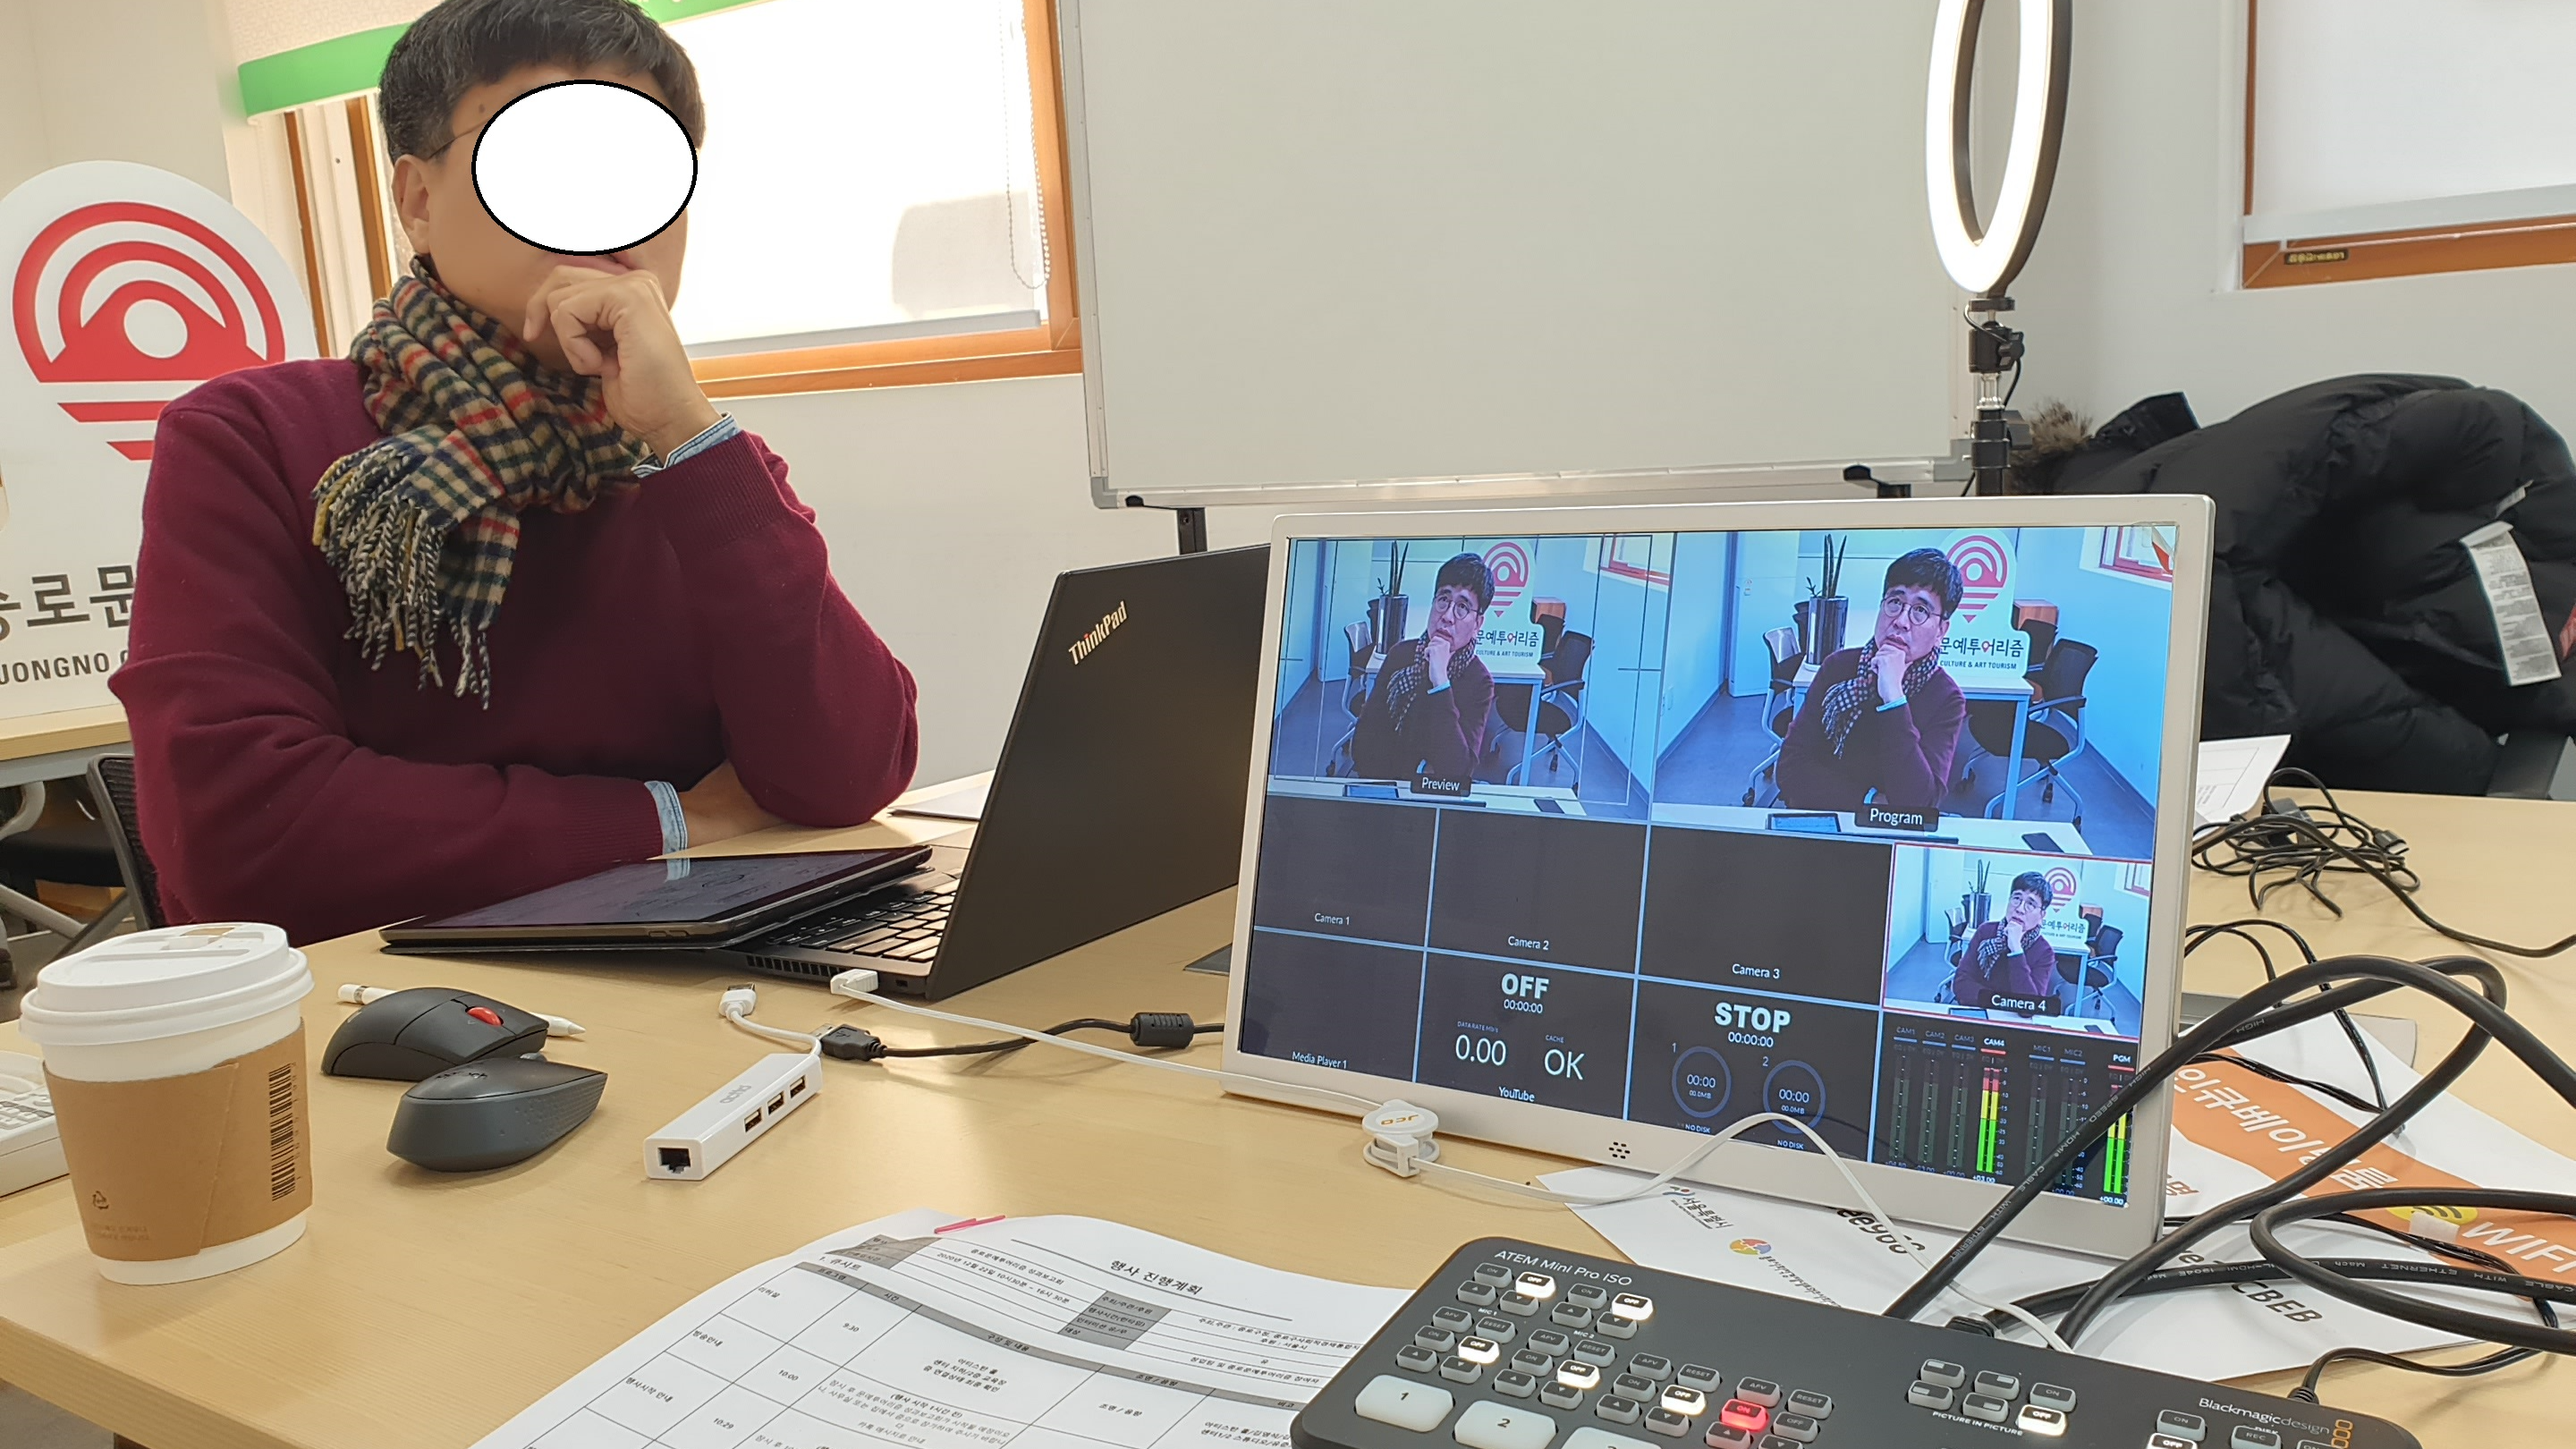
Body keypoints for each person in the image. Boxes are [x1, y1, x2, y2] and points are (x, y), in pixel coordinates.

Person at [110, 0, 919, 944]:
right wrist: (670, 822)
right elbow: (241, 835)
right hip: (386, 998)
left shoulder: (690, 461)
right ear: (417, 199)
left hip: (707, 971)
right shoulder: (255, 437)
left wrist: (688, 431)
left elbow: (847, 773)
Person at [1775, 547, 1968, 813]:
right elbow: (1790, 770)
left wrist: (1893, 699)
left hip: (1889, 834)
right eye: (1895, 602)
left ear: (1941, 631)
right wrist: (1870, 802)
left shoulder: (1946, 698)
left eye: (1920, 610)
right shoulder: (1839, 668)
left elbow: (1918, 804)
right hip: (1822, 819)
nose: (1901, 621)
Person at [1349, 553, 1496, 782]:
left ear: (1477, 624)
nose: (1447, 616)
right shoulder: (1401, 655)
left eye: (1462, 607)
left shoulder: (1479, 681)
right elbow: (1362, 747)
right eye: (1443, 599)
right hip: (1383, 786)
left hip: (1435, 798)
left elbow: (1456, 773)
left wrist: (1440, 683)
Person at [1951, 871, 2063, 1011]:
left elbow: (2030, 1006)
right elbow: (1960, 984)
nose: (2020, 909)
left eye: (2030, 904)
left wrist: (2016, 950)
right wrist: (2001, 1002)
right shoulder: (1986, 931)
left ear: (2041, 915)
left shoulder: (2044, 952)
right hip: (1978, 1012)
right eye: (2017, 898)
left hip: (2013, 1020)